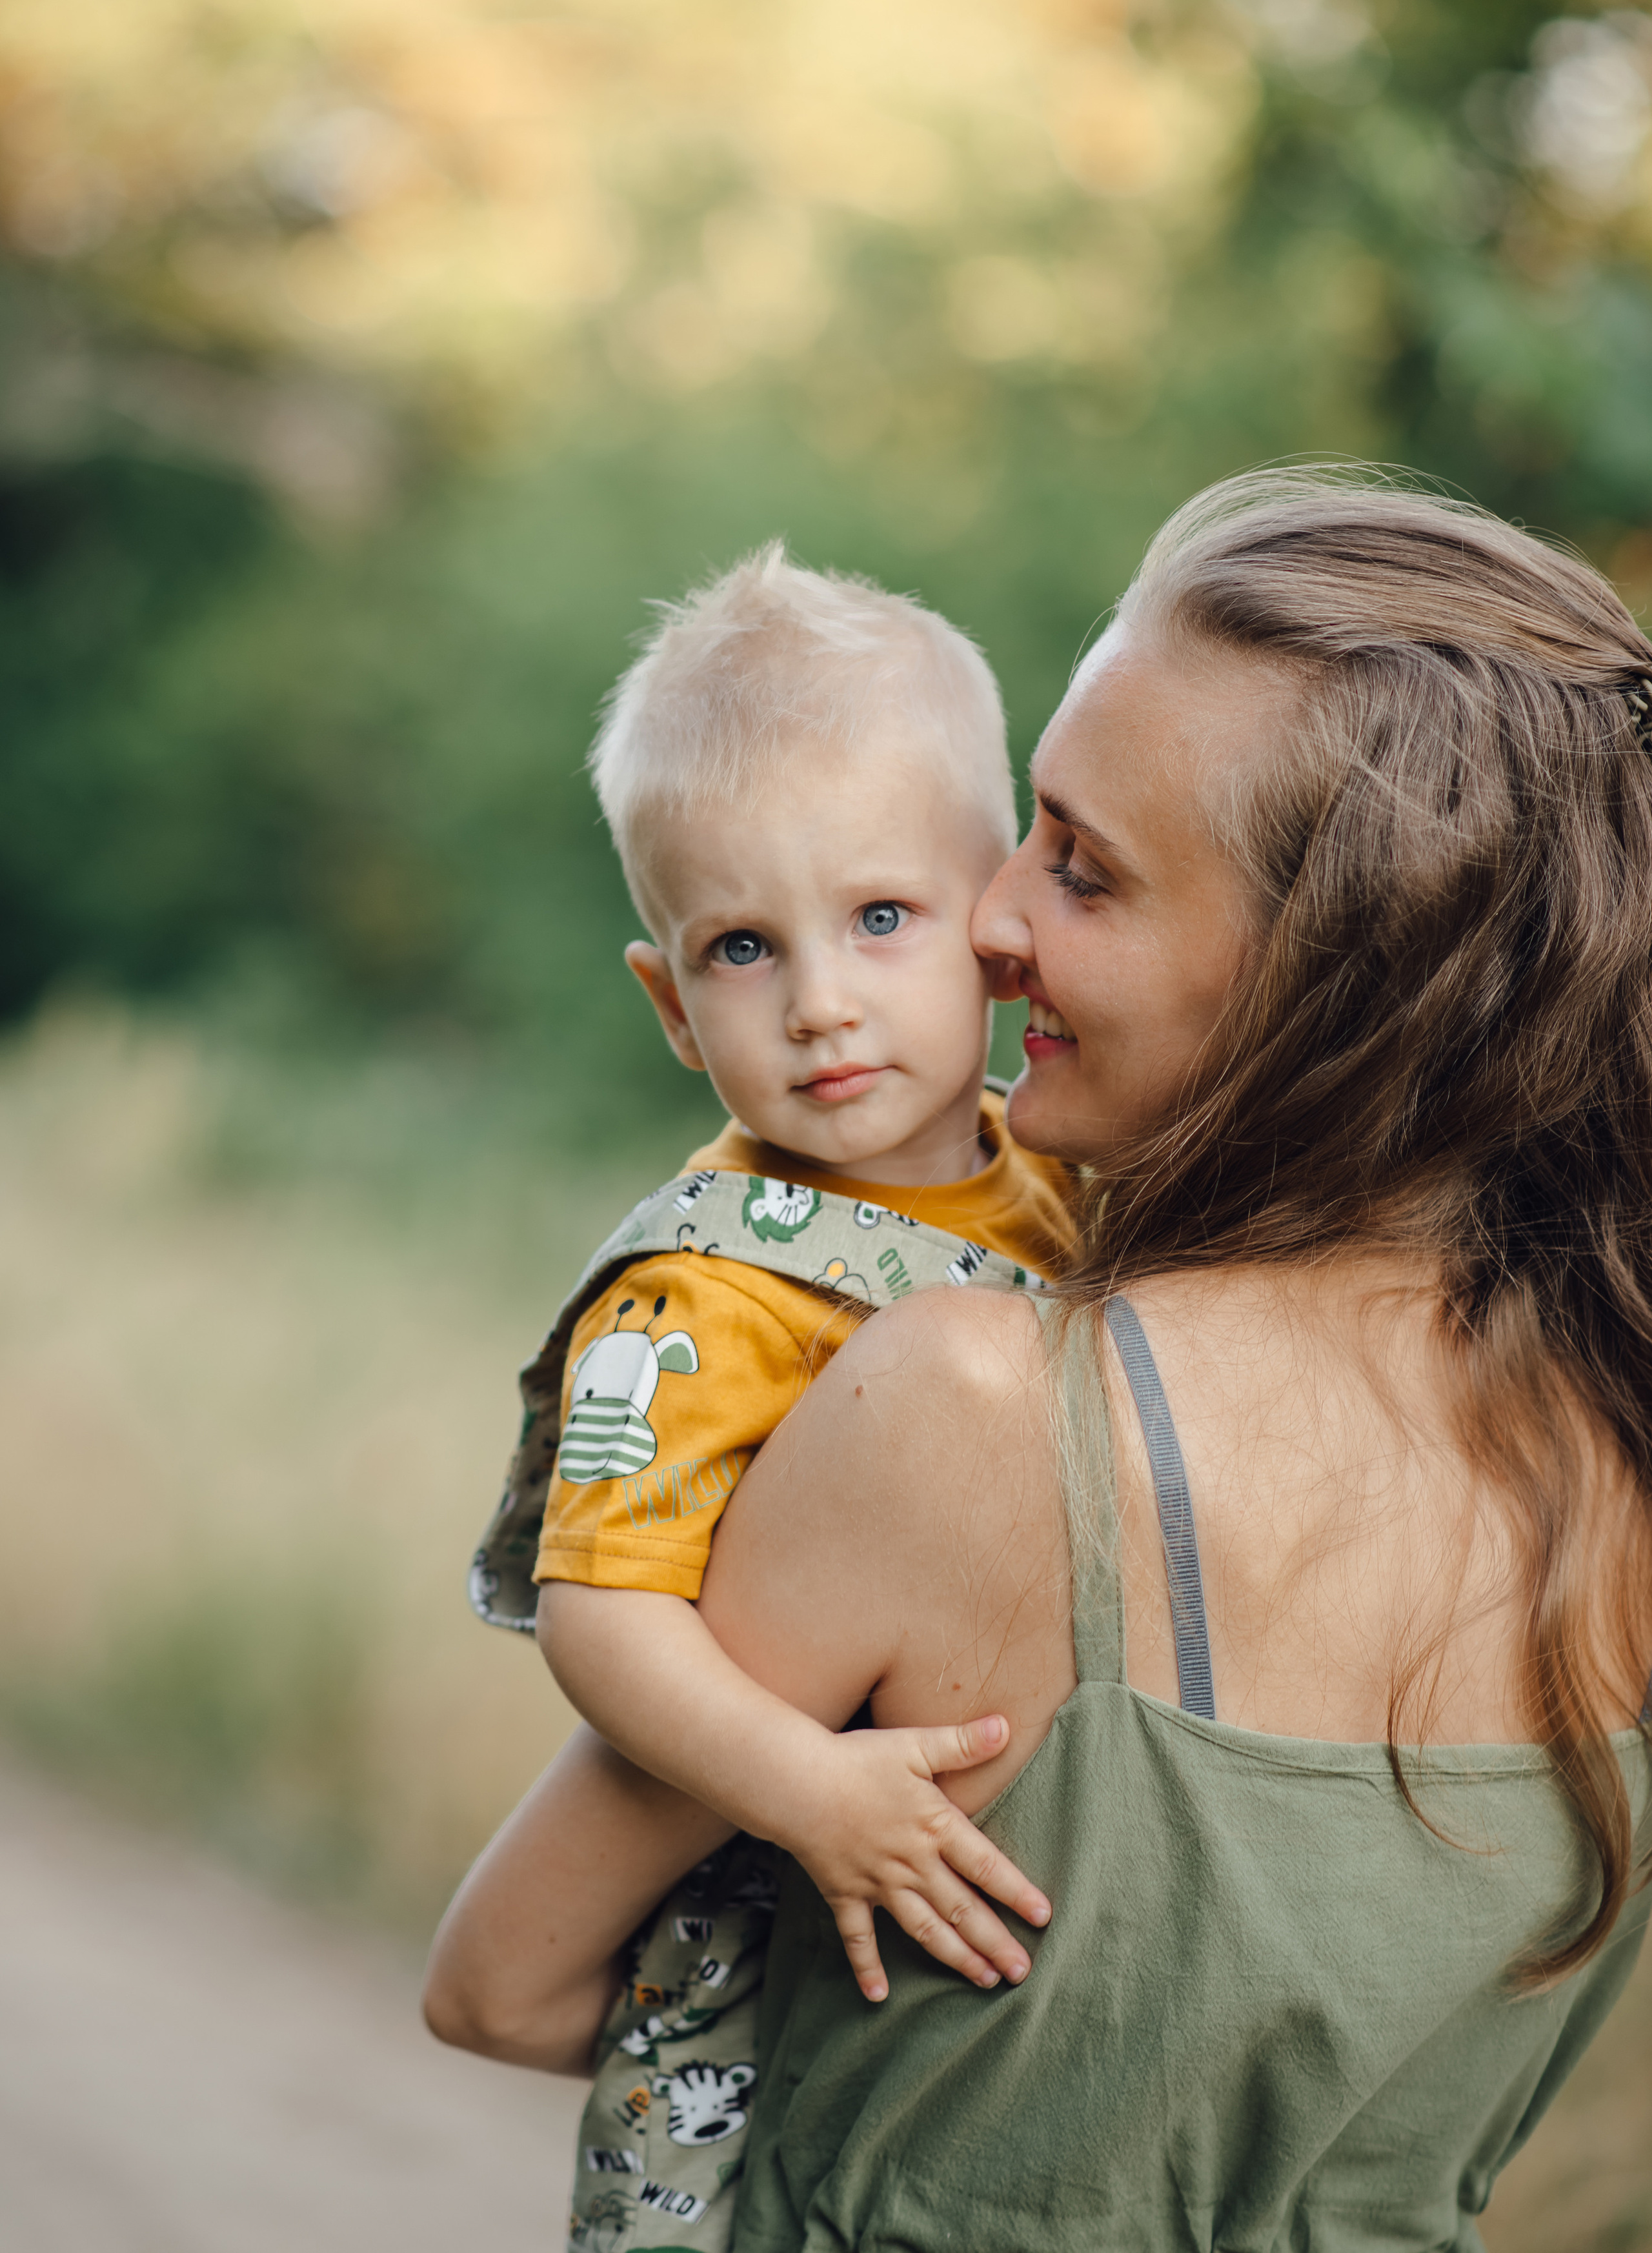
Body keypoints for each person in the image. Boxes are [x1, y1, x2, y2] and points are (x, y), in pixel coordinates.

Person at [428, 469, 1652, 2252]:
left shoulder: (974, 1404)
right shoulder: (1613, 1445)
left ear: (1329, 976)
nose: (991, 923)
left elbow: (504, 1985)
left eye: (1080, 865)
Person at [467, 543, 1073, 2252]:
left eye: (881, 917)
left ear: (995, 915)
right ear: (670, 1004)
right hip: (763, 1904)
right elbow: (604, 1617)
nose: (821, 1003)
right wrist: (809, 1790)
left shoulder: (1063, 1182)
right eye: (743, 946)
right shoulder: (705, 1295)